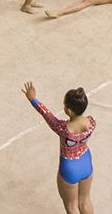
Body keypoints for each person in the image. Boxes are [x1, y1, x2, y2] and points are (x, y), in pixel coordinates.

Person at [22, 82, 96, 212]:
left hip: (69, 168)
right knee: (85, 201)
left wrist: (33, 99)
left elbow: (46, 114)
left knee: (71, 206)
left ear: (69, 110)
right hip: (86, 162)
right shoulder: (91, 122)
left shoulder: (62, 128)